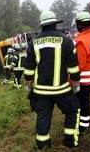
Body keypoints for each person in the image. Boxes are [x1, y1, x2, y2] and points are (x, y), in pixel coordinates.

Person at [24, 11, 81, 149]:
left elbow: (29, 68)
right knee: (73, 110)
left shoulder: (33, 42)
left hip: (41, 91)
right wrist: (75, 83)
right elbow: (73, 66)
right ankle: (70, 142)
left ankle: (43, 145)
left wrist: (29, 83)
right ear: (55, 23)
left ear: (41, 25)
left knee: (43, 115)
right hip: (62, 89)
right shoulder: (66, 40)